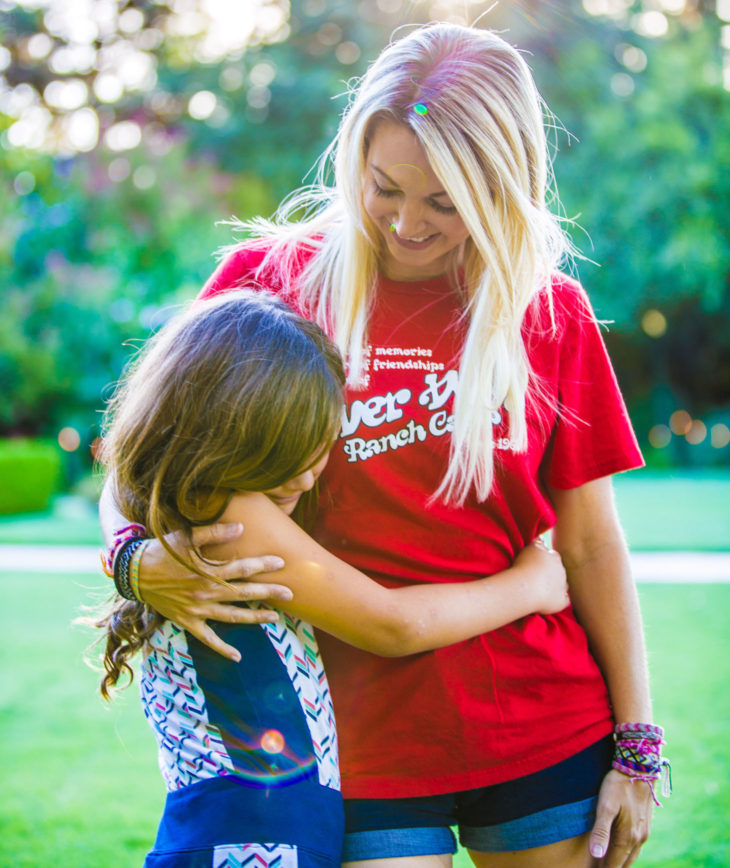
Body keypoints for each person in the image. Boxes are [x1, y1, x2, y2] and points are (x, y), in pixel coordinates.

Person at [99, 22, 669, 868]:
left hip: (542, 724)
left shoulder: (547, 313)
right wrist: (132, 558)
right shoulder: (267, 284)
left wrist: (638, 746)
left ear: (500, 187)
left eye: (444, 201)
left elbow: (588, 544)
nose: (406, 223)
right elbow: (142, 455)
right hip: (356, 743)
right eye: (383, 187)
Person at [92, 289, 568, 868]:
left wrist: (125, 554)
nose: (313, 472)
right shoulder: (227, 519)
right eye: (294, 450)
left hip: (251, 835)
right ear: (230, 430)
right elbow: (393, 624)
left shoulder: (169, 501)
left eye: (325, 447)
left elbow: (121, 472)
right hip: (254, 844)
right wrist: (533, 586)